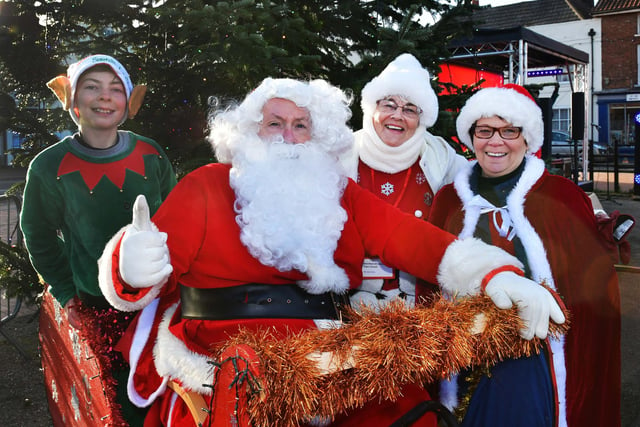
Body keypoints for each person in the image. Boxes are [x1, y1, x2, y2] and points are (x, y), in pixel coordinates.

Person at [96, 77, 564, 426]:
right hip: (226, 354)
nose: (288, 135)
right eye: (274, 123)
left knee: (411, 417)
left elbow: (414, 239)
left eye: (301, 125)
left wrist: (495, 276)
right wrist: (131, 264)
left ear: (317, 136)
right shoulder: (206, 185)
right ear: (249, 132)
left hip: (329, 350)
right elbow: (146, 269)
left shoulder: (337, 191)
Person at [427, 83, 621, 427]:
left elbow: (591, 288)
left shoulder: (562, 196)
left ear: (527, 138)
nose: (495, 141)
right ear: (470, 136)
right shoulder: (448, 200)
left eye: (509, 131)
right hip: (463, 350)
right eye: (484, 130)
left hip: (534, 355)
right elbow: (428, 276)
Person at [20, 54, 177, 425]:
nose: (104, 97)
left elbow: (175, 220)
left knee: (166, 398)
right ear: (73, 100)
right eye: (92, 87)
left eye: (115, 89)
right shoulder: (49, 167)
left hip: (160, 304)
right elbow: (37, 235)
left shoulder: (151, 154)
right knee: (119, 404)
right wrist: (65, 290)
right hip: (99, 309)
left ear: (129, 102)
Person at [341, 53, 469, 309]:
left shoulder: (444, 160)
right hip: (350, 306)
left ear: (422, 119)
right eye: (388, 104)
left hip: (422, 308)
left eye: (410, 109)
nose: (398, 115)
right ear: (372, 108)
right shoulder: (340, 154)